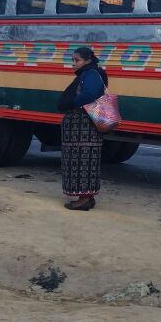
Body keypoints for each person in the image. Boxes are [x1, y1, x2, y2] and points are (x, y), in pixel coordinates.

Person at [57, 47, 107, 211]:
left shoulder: (91, 74)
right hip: (84, 125)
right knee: (84, 161)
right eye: (72, 60)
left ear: (87, 61)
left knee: (81, 161)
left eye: (76, 60)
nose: (73, 64)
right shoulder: (90, 73)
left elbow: (89, 94)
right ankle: (87, 197)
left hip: (84, 125)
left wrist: (71, 102)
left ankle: (84, 198)